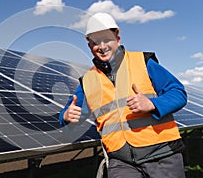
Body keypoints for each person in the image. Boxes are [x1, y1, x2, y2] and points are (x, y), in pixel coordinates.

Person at [59, 13, 187, 178]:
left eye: (107, 39)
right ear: (89, 45)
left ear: (118, 39)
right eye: (96, 42)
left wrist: (152, 104)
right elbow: (70, 112)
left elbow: (178, 93)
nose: (102, 46)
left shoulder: (143, 62)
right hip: (121, 161)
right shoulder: (88, 80)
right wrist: (67, 116)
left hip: (161, 155)